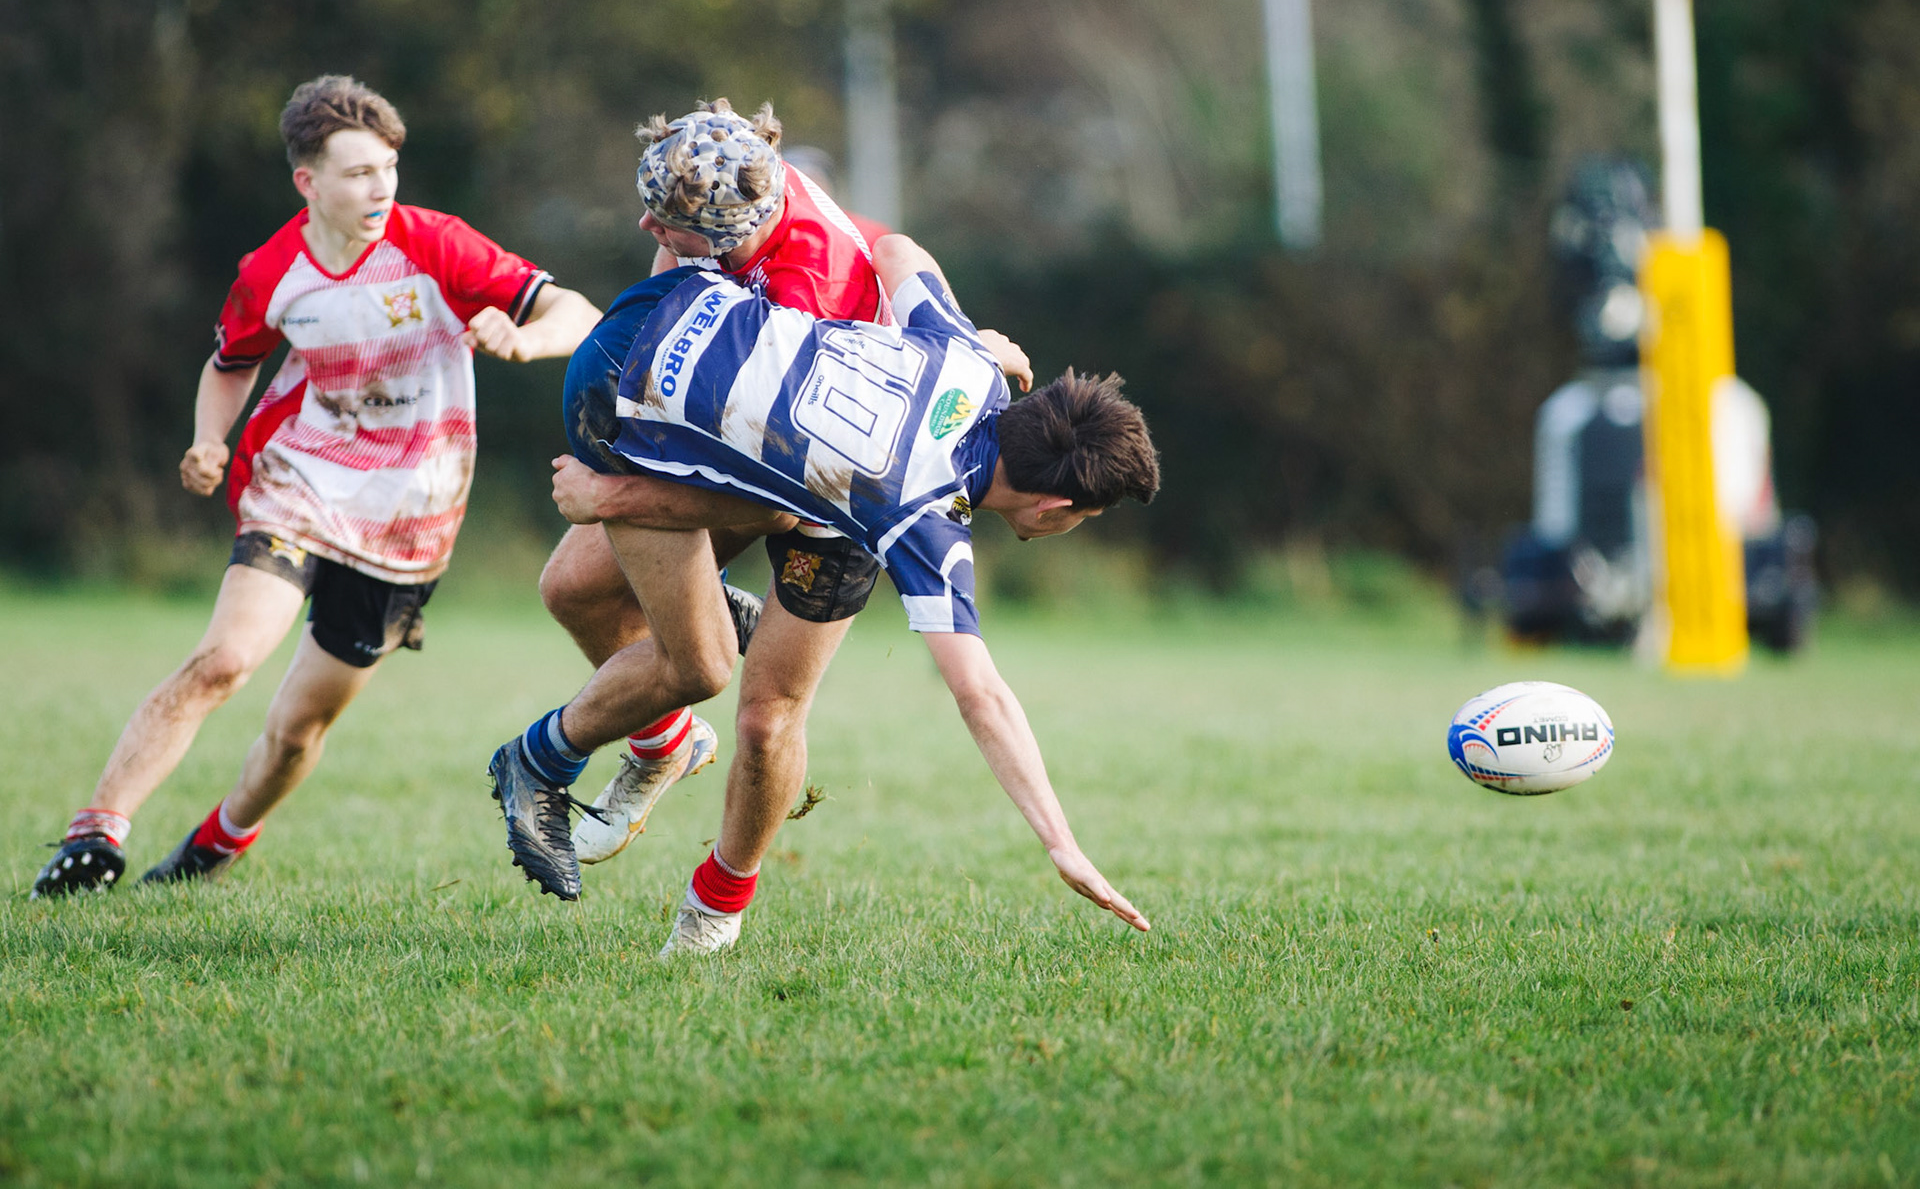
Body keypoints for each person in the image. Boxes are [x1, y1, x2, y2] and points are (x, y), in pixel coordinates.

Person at [488, 234, 1160, 954]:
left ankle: (715, 899)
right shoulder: (923, 519)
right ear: (1055, 507)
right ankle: (543, 759)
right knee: (700, 664)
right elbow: (981, 694)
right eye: (1084, 519)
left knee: (766, 713)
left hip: (668, 309)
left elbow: (896, 250)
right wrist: (1061, 843)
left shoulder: (967, 360)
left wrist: (970, 336)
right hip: (624, 401)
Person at [30, 75, 600, 898]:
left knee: (297, 731)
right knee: (223, 661)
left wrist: (525, 338)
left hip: (412, 517)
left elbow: (576, 312)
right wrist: (208, 438)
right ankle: (97, 833)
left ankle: (217, 843)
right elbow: (231, 364)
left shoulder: (435, 243)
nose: (381, 187)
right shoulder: (273, 271)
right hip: (300, 483)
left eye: (389, 168)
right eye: (359, 172)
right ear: (309, 181)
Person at [540, 99, 909, 868]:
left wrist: (612, 496)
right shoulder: (734, 172)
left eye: (665, 222)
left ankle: (717, 905)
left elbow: (777, 503)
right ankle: (664, 743)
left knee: (764, 720)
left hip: (828, 486)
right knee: (574, 588)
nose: (646, 226)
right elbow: (670, 290)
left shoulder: (808, 300)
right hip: (750, 430)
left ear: (726, 236)